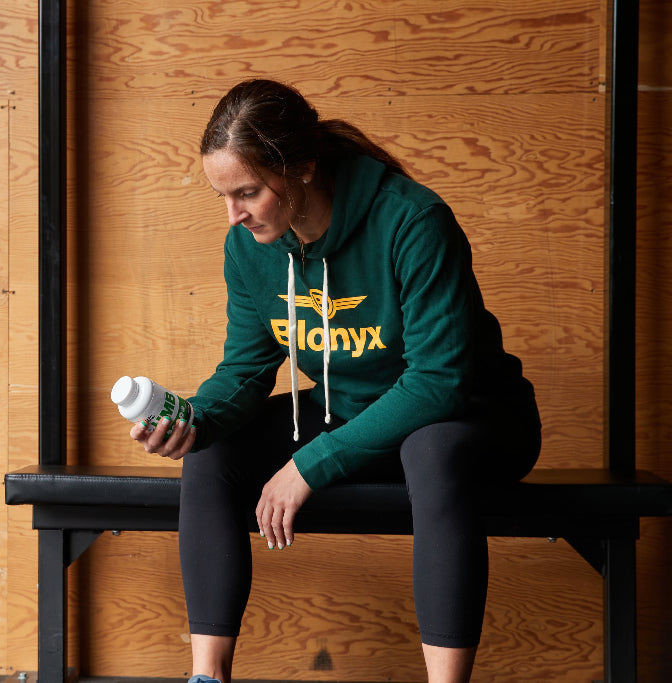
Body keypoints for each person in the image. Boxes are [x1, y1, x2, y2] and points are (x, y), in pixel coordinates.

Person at [128, 79, 541, 683]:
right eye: (223, 195)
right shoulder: (249, 247)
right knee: (212, 452)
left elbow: (436, 383)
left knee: (430, 447)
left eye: (247, 192)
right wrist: (195, 418)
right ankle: (206, 677)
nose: (233, 214)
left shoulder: (413, 220)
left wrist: (309, 465)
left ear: (301, 169)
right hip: (352, 416)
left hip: (471, 419)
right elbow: (245, 368)